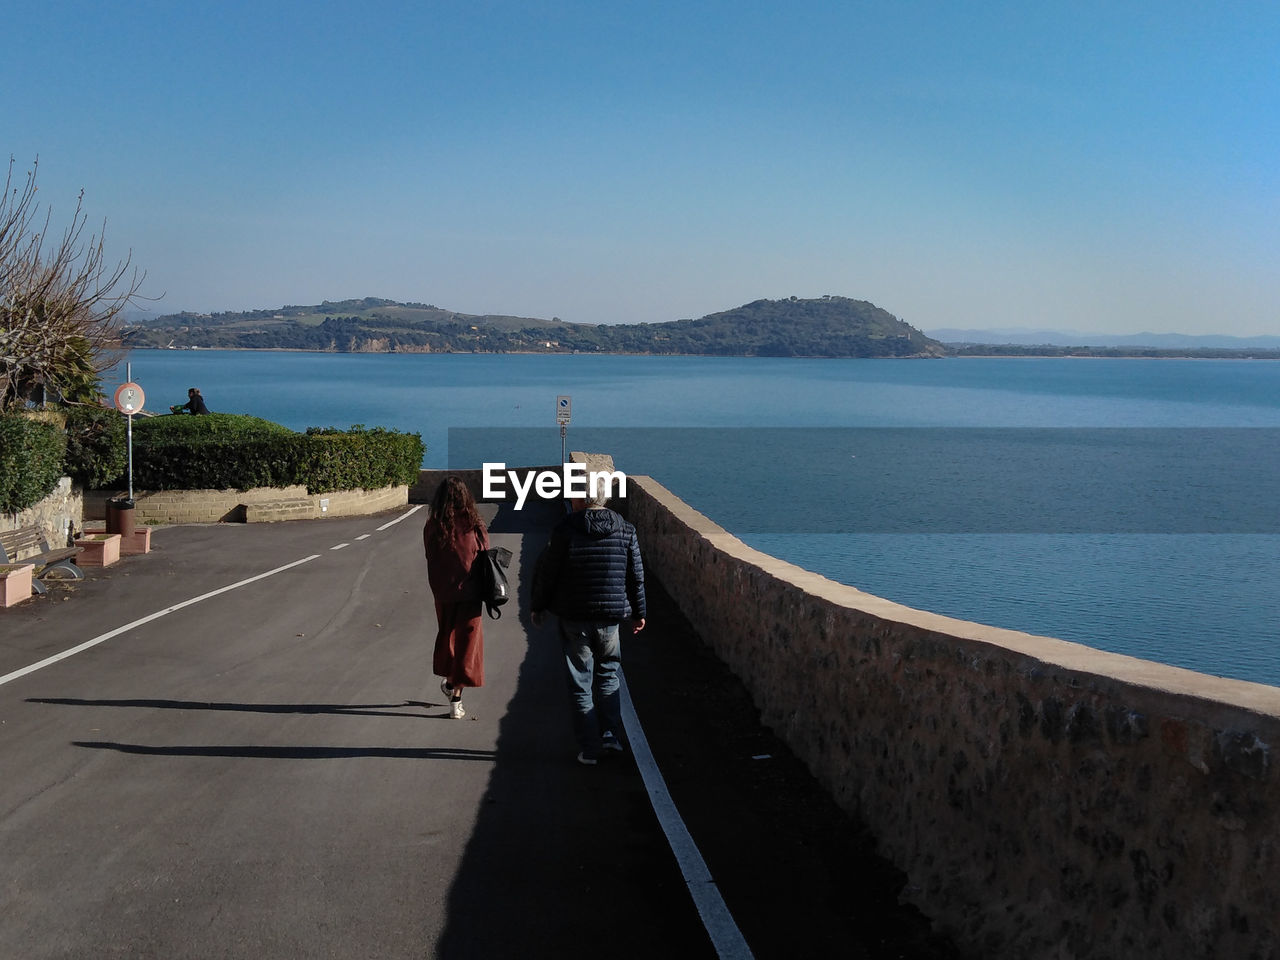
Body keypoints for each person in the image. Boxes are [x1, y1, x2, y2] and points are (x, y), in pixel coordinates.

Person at [531, 483, 646, 765]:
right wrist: (639, 611)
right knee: (608, 675)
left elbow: (549, 573)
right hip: (610, 617)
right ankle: (610, 735)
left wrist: (539, 606)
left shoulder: (565, 529)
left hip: (574, 617)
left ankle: (590, 748)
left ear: (580, 499)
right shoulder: (625, 529)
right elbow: (636, 575)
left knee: (580, 681)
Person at [423, 476, 488, 719]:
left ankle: (450, 685)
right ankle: (454, 695)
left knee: (447, 637)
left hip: (442, 591)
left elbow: (429, 555)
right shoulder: (474, 524)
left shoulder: (433, 525)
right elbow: (484, 553)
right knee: (467, 644)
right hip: (470, 592)